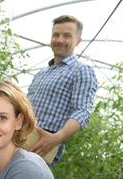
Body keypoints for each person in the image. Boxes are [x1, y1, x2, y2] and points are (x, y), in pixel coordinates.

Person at [27, 15, 98, 168]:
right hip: (24, 134)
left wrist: (56, 138)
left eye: (67, 36)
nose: (59, 40)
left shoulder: (82, 70)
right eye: (56, 35)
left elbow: (82, 111)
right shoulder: (41, 73)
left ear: (78, 41)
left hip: (45, 140)